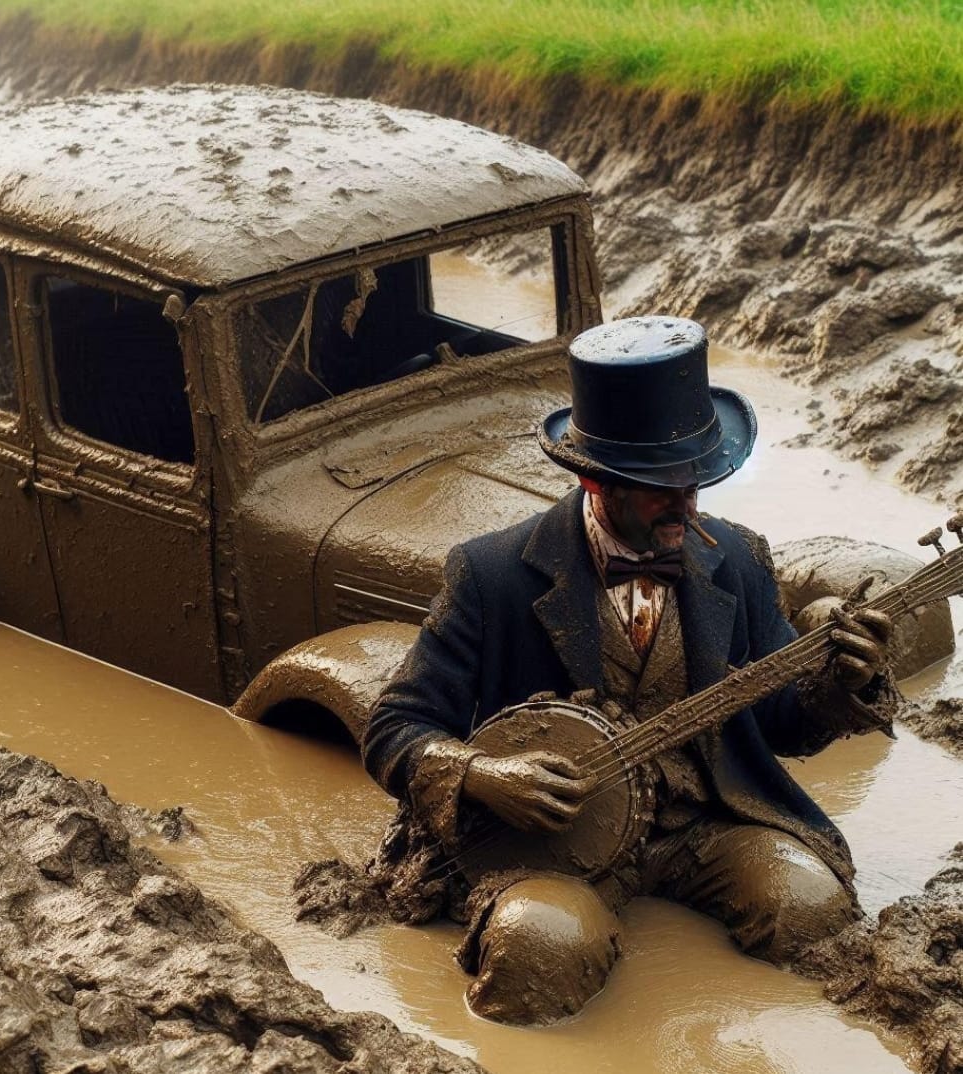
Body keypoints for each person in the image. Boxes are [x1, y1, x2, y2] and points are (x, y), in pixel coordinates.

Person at [362, 316, 897, 1026]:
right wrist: (484, 775)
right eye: (660, 489)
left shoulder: (735, 557)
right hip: (556, 845)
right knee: (536, 953)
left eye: (697, 484)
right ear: (595, 478)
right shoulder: (489, 573)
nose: (687, 506)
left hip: (708, 820)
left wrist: (844, 683)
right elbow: (393, 727)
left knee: (810, 908)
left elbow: (782, 721)